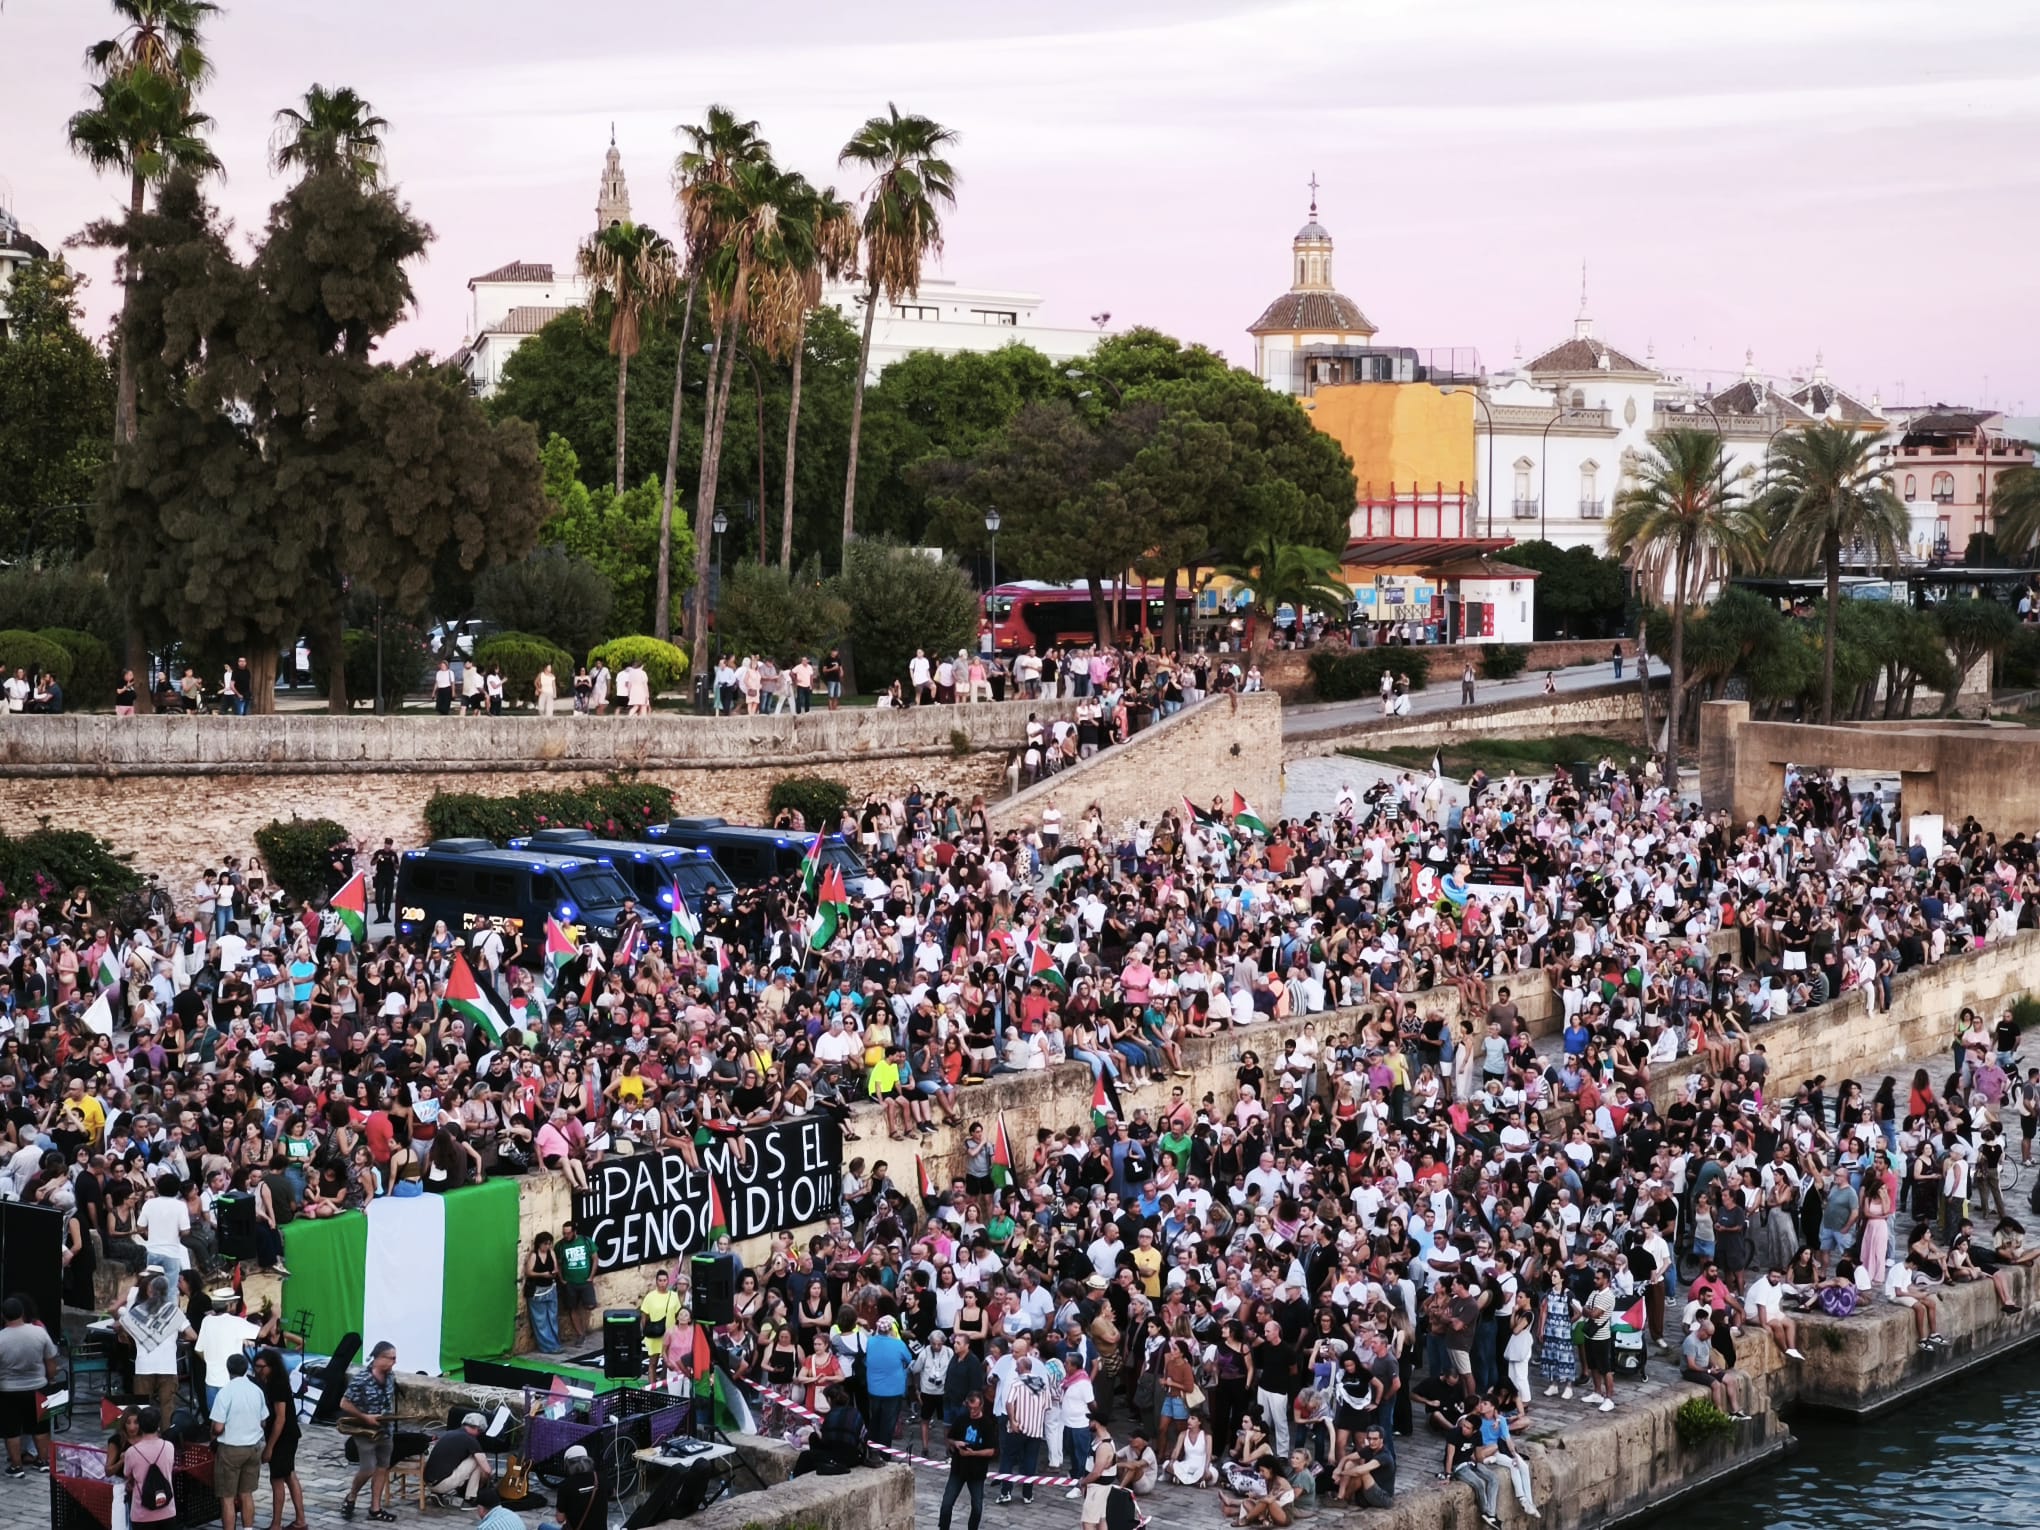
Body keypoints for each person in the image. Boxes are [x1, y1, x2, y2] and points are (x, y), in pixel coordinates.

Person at [117, 1270, 193, 1424]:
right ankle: (166, 1441)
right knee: (167, 1408)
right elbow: (192, 1335)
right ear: (167, 1291)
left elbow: (122, 1334)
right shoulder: (174, 1311)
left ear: (150, 1291)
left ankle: (144, 1439)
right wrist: (176, 1336)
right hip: (168, 1367)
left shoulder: (137, 1312)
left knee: (142, 1408)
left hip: (143, 1367)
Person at [339, 1340, 400, 1522]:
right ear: (379, 1358)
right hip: (365, 1431)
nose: (394, 1362)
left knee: (382, 1468)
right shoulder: (361, 1378)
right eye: (391, 1358)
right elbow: (344, 1403)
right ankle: (352, 1496)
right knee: (367, 1469)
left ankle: (375, 1508)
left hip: (385, 1431)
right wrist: (365, 1417)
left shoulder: (390, 1377)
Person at [210, 1351, 268, 1530]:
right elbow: (263, 1421)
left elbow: (218, 1427)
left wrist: (213, 1433)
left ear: (228, 1370)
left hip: (231, 1449)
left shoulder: (225, 1393)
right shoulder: (256, 1390)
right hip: (253, 1448)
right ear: (245, 1369)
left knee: (227, 1498)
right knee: (246, 1494)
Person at [0, 1297, 57, 1479]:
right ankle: (43, 1460)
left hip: (9, 1390)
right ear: (22, 1313)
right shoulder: (39, 1333)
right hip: (37, 1386)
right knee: (40, 1427)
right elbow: (50, 1362)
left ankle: (16, 1466)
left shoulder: (1, 1338)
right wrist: (51, 1380)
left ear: (3, 1316)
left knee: (12, 1429)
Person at [251, 1347, 305, 1530]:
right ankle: (300, 1520)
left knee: (277, 1479)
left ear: (271, 1367)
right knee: (289, 1475)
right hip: (288, 1434)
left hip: (283, 1437)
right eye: (256, 1366)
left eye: (261, 1367)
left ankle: (276, 1524)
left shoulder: (277, 1385)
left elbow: (280, 1418)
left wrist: (270, 1447)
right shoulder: (272, 1383)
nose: (258, 1370)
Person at [937, 1389, 996, 1530]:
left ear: (981, 1405)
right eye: (970, 1408)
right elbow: (950, 1438)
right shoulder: (961, 1419)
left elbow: (992, 1451)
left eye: (975, 1408)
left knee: (977, 1507)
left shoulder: (987, 1424)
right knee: (946, 1503)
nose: (972, 1411)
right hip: (958, 1468)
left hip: (977, 1472)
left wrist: (972, 1454)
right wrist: (955, 1443)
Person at [862, 1314, 913, 1447]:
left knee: (875, 1421)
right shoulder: (898, 1344)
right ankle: (885, 1454)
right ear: (890, 1329)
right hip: (893, 1390)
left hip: (874, 1389)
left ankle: (871, 1450)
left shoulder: (870, 1342)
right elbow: (908, 1359)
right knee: (887, 1424)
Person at [425, 1412, 495, 1508]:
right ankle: (471, 1497)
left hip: (429, 1482)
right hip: (442, 1484)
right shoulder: (471, 1440)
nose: (479, 1435)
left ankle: (437, 1492)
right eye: (480, 1432)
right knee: (477, 1460)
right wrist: (488, 1479)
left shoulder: (449, 1433)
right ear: (477, 1428)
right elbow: (487, 1470)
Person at [124, 1406, 179, 1526]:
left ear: (140, 1426)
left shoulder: (132, 1452)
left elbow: (127, 1474)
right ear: (158, 1425)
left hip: (142, 1513)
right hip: (167, 1510)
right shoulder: (169, 1447)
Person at [556, 1222, 600, 1343]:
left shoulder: (586, 1241)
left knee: (590, 1305)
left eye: (568, 1233)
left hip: (585, 1281)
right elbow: (558, 1263)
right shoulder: (560, 1246)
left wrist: (591, 1276)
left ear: (575, 1232)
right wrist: (561, 1279)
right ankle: (580, 1334)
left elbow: (595, 1258)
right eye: (564, 1233)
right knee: (572, 1308)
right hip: (570, 1283)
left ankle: (586, 1325)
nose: (566, 1236)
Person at [639, 1269, 682, 1382]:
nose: (662, 1283)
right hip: (654, 1335)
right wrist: (647, 1331)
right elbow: (644, 1316)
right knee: (653, 1363)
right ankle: (652, 1387)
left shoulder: (673, 1296)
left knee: (668, 1362)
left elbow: (678, 1314)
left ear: (668, 1281)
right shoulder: (650, 1297)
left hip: (669, 1335)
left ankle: (664, 1382)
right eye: (660, 1280)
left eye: (664, 1280)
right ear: (656, 1281)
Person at [552, 1444, 606, 1530]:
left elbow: (560, 1519)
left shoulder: (565, 1486)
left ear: (568, 1464)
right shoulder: (601, 1478)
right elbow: (612, 1493)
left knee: (542, 1526)